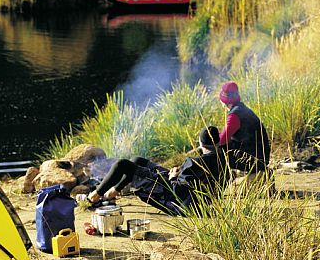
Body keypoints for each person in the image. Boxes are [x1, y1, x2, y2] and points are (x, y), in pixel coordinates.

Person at [87, 126, 229, 216]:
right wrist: (179, 175)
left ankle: (94, 196)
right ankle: (114, 191)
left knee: (122, 164)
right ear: (217, 142)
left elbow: (177, 191)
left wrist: (173, 177)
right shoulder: (224, 160)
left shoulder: (194, 163)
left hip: (176, 199)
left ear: (200, 143)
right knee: (137, 160)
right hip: (194, 198)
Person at [218, 81, 271, 172]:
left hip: (253, 161)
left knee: (217, 149)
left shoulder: (234, 115)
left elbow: (221, 140)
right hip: (261, 158)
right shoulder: (243, 109)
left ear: (224, 101)